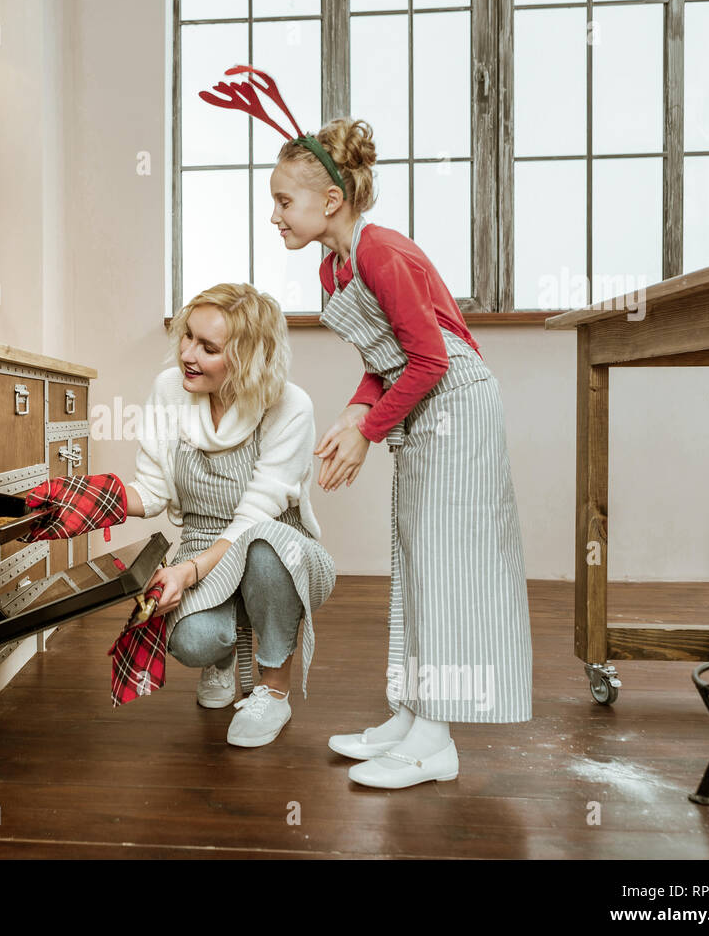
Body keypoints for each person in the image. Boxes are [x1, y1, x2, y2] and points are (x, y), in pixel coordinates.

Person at [268, 115, 534, 788]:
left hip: (457, 406)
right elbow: (387, 360)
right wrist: (360, 410)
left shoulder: (381, 252)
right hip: (424, 402)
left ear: (331, 200)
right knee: (416, 560)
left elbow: (432, 359)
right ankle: (413, 715)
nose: (274, 216)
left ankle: (435, 744)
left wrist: (368, 430)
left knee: (443, 569)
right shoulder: (336, 267)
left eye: (282, 200)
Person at [117, 282, 336, 747]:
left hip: (278, 548)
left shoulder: (289, 406)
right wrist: (97, 500)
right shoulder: (170, 391)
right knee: (192, 640)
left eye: (208, 347)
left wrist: (185, 573)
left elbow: (249, 523)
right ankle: (221, 657)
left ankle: (273, 692)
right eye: (187, 336)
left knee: (261, 546)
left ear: (247, 359)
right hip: (202, 540)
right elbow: (153, 489)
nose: (187, 355)